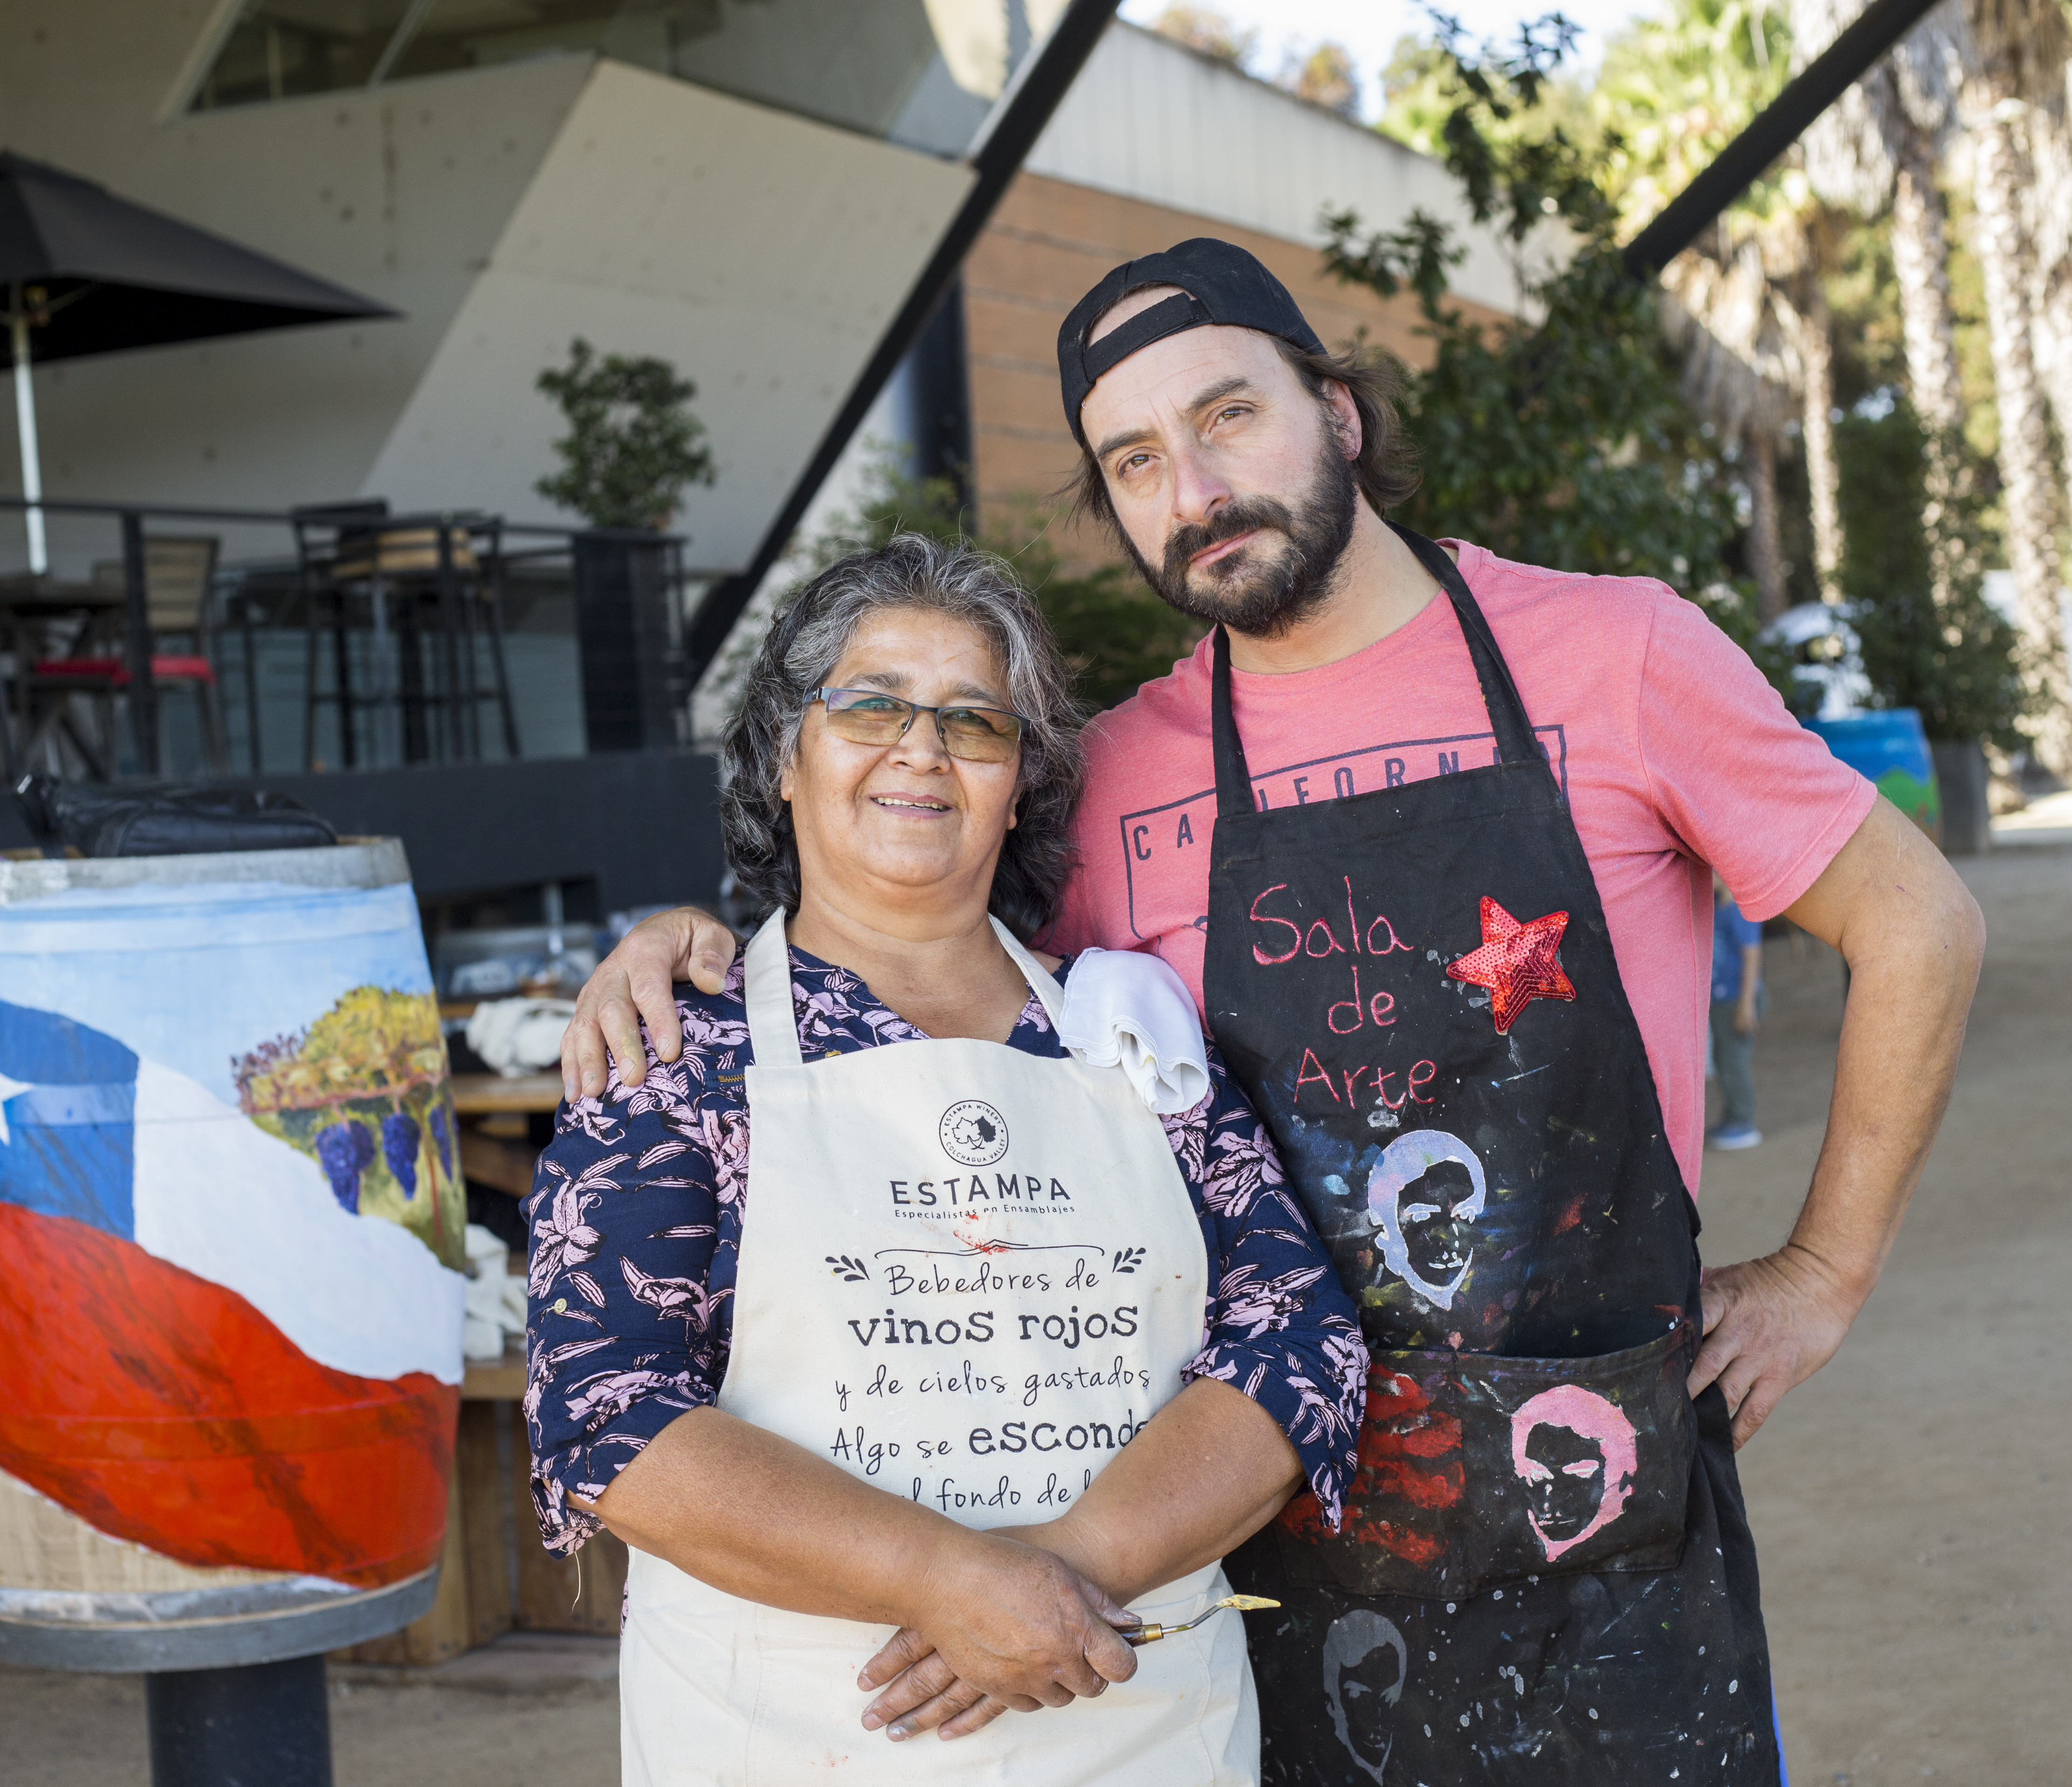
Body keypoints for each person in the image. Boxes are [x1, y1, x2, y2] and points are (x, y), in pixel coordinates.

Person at [562, 240, 1986, 1783]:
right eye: (1135, 460)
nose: (1194, 487)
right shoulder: (1120, 769)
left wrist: (1825, 1272)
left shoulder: (1618, 655)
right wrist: (700, 942)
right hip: (1265, 1551)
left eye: (1228, 415)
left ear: (1341, 412)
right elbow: (912, 950)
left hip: (1599, 1506)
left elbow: (1918, 923)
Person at [522, 534, 1367, 1785]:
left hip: (1134, 1724)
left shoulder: (1125, 1032)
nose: (921, 749)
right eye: (871, 706)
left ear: (1018, 785)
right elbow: (605, 1410)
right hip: (794, 1737)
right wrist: (943, 1580)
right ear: (784, 755)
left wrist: (1056, 1582)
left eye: (974, 721)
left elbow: (1299, 1340)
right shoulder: (674, 1052)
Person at [1709, 875, 1768, 1150]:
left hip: (1736, 1001)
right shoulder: (1717, 907)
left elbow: (1752, 956)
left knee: (1733, 1061)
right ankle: (1733, 1116)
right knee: (1723, 1059)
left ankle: (1743, 1122)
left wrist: (1746, 1005)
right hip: (1723, 1000)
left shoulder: (1740, 912)